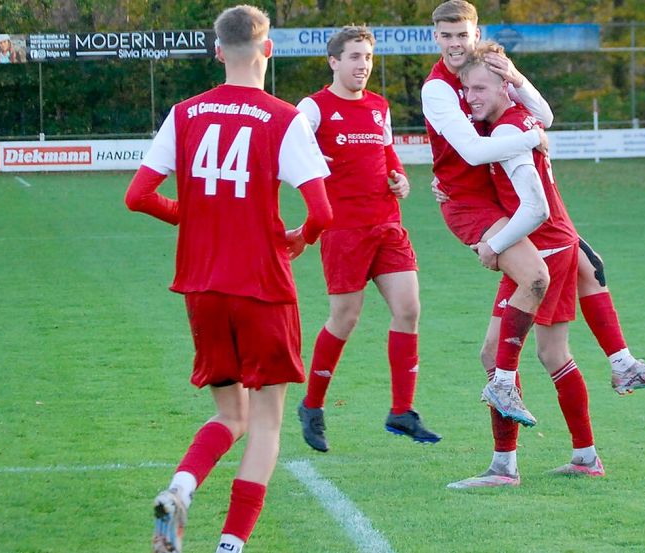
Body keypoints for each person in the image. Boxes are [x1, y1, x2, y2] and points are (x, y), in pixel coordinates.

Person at [421, 0, 645, 488]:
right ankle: (590, 428)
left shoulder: (503, 101)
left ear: (476, 33)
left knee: (527, 345)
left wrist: (524, 120)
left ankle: (509, 455)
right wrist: (530, 133)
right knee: (553, 344)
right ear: (436, 38)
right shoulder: (448, 91)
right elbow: (486, 145)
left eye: (463, 34)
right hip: (516, 220)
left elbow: (532, 145)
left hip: (526, 228)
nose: (456, 45)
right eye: (447, 36)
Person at [124, 5, 332, 553]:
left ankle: (180, 487)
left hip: (203, 288)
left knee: (229, 414)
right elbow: (322, 212)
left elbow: (137, 196)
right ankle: (231, 545)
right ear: (269, 49)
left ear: (218, 52)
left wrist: (192, 215)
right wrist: (301, 238)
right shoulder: (286, 118)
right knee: (265, 423)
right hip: (263, 286)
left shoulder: (184, 113)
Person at [451, 41, 605, 488]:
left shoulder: (505, 133)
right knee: (552, 353)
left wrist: (492, 244)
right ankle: (584, 456)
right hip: (550, 247)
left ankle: (505, 466)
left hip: (543, 251)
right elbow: (543, 116)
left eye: (480, 87)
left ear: (504, 87)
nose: (471, 96)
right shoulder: (519, 120)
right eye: (465, 88)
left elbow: (533, 207)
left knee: (498, 353)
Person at [294, 25, 440, 452]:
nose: (363, 66)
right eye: (355, 57)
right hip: (344, 229)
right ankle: (313, 406)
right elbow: (290, 149)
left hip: (386, 223)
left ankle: (401, 411)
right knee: (346, 318)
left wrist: (399, 178)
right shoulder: (314, 106)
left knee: (409, 309)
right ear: (334, 61)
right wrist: (309, 162)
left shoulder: (378, 106)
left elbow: (386, 151)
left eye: (368, 58)